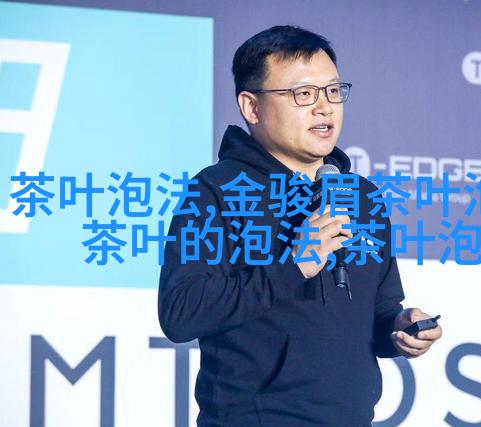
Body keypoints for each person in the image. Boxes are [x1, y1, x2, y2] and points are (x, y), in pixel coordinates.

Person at [158, 25, 442, 427]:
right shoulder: (216, 191)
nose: (324, 108)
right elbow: (181, 313)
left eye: (332, 91)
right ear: (251, 107)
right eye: (303, 94)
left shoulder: (362, 197)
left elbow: (378, 312)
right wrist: (292, 266)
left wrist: (400, 329)